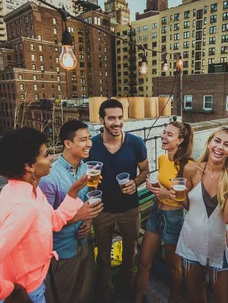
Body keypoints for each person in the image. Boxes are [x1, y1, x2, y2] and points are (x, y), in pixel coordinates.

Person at [0, 127, 91, 303]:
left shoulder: (27, 190)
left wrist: (73, 192)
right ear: (29, 165)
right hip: (28, 294)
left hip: (37, 284)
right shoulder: (24, 207)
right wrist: (10, 289)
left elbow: (54, 222)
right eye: (46, 154)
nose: (51, 159)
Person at [175, 126, 228, 303]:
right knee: (195, 297)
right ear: (209, 143)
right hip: (192, 243)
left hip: (220, 247)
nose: (220, 147)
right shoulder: (191, 169)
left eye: (227, 144)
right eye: (217, 141)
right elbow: (188, 206)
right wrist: (179, 199)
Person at [89, 99, 150, 302]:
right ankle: (105, 294)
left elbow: (145, 171)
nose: (117, 123)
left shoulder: (135, 143)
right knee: (104, 257)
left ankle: (126, 288)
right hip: (102, 210)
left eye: (120, 117)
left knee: (130, 253)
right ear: (102, 120)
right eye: (111, 118)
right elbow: (81, 173)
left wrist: (135, 182)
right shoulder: (92, 145)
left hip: (129, 210)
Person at [39, 120, 103, 303]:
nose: (89, 143)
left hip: (83, 245)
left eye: (89, 139)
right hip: (62, 252)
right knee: (63, 297)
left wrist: (88, 219)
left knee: (79, 293)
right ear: (68, 144)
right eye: (83, 140)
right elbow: (44, 225)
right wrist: (79, 216)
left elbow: (84, 203)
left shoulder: (85, 169)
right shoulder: (49, 177)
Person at [134, 121, 196, 303]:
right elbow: (164, 184)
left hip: (174, 218)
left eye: (169, 134)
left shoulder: (190, 167)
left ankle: (174, 298)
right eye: (164, 132)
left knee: (173, 268)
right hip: (155, 213)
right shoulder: (162, 159)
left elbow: (191, 205)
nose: (163, 136)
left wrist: (167, 193)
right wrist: (154, 187)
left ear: (180, 140)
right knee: (144, 263)